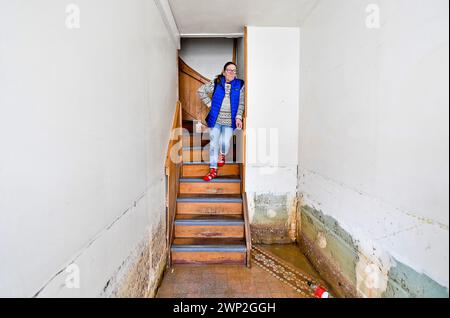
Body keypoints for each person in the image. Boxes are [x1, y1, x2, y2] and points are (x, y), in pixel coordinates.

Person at [197, 62, 245, 181]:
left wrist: (239, 117)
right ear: (224, 72)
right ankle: (213, 169)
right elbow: (201, 91)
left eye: (234, 70)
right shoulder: (217, 82)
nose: (231, 72)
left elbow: (241, 103)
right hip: (216, 119)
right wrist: (210, 104)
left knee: (224, 142)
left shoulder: (239, 85)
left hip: (230, 121)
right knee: (213, 144)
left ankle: (222, 154)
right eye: (229, 70)